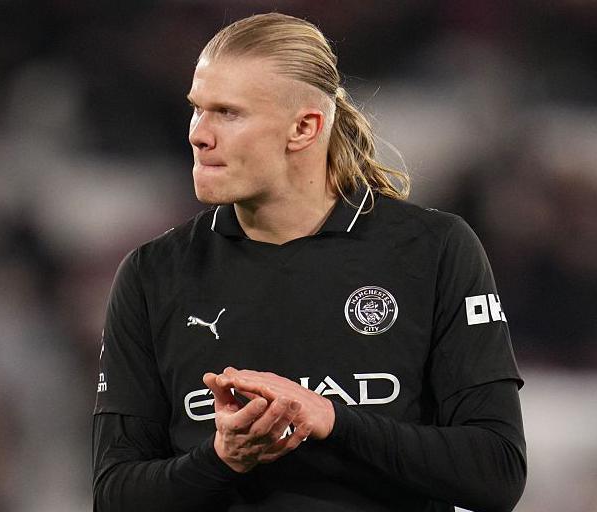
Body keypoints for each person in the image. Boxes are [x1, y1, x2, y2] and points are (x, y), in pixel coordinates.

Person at [92, 12, 526, 512]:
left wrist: (332, 421)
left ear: (304, 127)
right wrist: (221, 459)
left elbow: (497, 472)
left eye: (228, 113)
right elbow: (114, 495)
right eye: (197, 109)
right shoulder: (154, 274)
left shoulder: (433, 250)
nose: (198, 134)